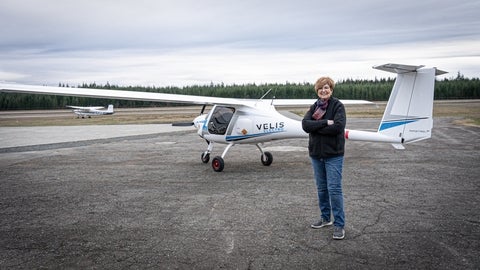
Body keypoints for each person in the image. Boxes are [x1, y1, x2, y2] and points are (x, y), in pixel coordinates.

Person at [302, 76, 346, 240]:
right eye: (320, 88)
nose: (323, 90)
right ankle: (326, 218)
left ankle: (339, 225)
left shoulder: (338, 106)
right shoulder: (315, 107)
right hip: (316, 154)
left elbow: (338, 127)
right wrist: (326, 122)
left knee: (334, 189)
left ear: (331, 89)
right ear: (317, 91)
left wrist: (316, 127)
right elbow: (305, 125)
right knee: (322, 189)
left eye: (326, 87)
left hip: (333, 155)